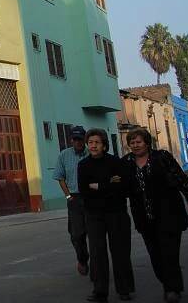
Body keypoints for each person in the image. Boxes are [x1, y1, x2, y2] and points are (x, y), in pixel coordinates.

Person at [123, 128, 188, 303]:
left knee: (169, 254)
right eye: (132, 143)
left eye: (138, 141)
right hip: (144, 218)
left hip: (169, 214)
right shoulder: (126, 162)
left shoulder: (162, 157)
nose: (135, 145)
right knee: (155, 256)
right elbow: (121, 186)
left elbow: (181, 179)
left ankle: (172, 289)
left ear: (147, 143)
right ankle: (169, 283)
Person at [78, 128, 135, 302]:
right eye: (90, 142)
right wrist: (109, 184)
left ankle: (124, 289)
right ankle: (100, 291)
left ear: (104, 145)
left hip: (116, 212)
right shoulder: (83, 165)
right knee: (97, 253)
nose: (93, 146)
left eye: (97, 142)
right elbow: (84, 190)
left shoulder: (115, 162)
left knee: (120, 251)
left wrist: (99, 186)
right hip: (94, 215)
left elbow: (122, 187)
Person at [53, 125, 90, 276]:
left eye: (80, 139)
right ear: (71, 140)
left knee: (94, 233)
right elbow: (60, 177)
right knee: (76, 234)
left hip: (91, 198)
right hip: (74, 198)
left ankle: (97, 269)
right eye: (75, 139)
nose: (78, 142)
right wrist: (68, 196)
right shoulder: (64, 155)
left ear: (85, 140)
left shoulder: (91, 153)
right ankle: (82, 258)